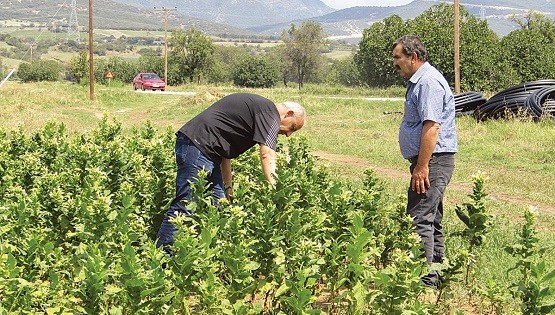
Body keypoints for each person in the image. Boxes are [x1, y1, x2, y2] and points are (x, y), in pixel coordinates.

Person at [156, 92, 306, 251]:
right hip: (198, 146)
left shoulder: (260, 110)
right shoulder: (270, 112)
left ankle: (211, 253)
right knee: (186, 205)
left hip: (205, 150)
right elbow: (266, 154)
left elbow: (225, 155)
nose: (289, 134)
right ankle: (162, 260)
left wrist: (228, 188)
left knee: (220, 204)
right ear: (288, 114)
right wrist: (277, 190)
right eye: (293, 127)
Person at [391, 35, 458, 288]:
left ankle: (425, 282)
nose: (394, 63)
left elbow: (431, 126)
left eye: (398, 57)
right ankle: (437, 275)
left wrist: (421, 166)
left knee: (419, 217)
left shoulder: (428, 82)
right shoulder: (418, 82)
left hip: (433, 161)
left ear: (413, 57)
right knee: (431, 218)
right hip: (431, 161)